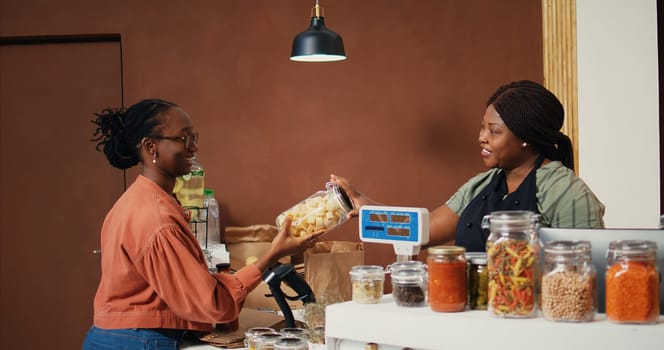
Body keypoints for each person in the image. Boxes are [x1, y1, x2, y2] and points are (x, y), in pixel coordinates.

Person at [83, 98, 322, 349]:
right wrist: (273, 253)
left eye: (194, 137)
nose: (193, 147)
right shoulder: (158, 220)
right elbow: (213, 306)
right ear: (151, 146)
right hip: (138, 340)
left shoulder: (138, 200)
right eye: (184, 138)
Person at [332, 80, 605, 252]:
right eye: (482, 127)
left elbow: (585, 272)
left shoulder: (565, 191)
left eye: (494, 131)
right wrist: (365, 205)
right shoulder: (483, 185)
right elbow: (424, 230)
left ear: (526, 139)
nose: (481, 137)